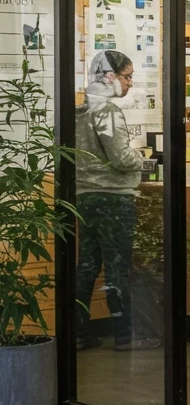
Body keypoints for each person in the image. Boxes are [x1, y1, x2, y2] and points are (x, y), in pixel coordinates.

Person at [75, 51, 161, 352]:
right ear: (110, 76)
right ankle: (126, 334)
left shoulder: (81, 109)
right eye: (127, 76)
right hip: (112, 198)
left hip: (84, 198)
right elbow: (121, 158)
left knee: (86, 266)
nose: (130, 83)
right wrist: (142, 156)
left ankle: (79, 333)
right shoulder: (107, 111)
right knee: (116, 268)